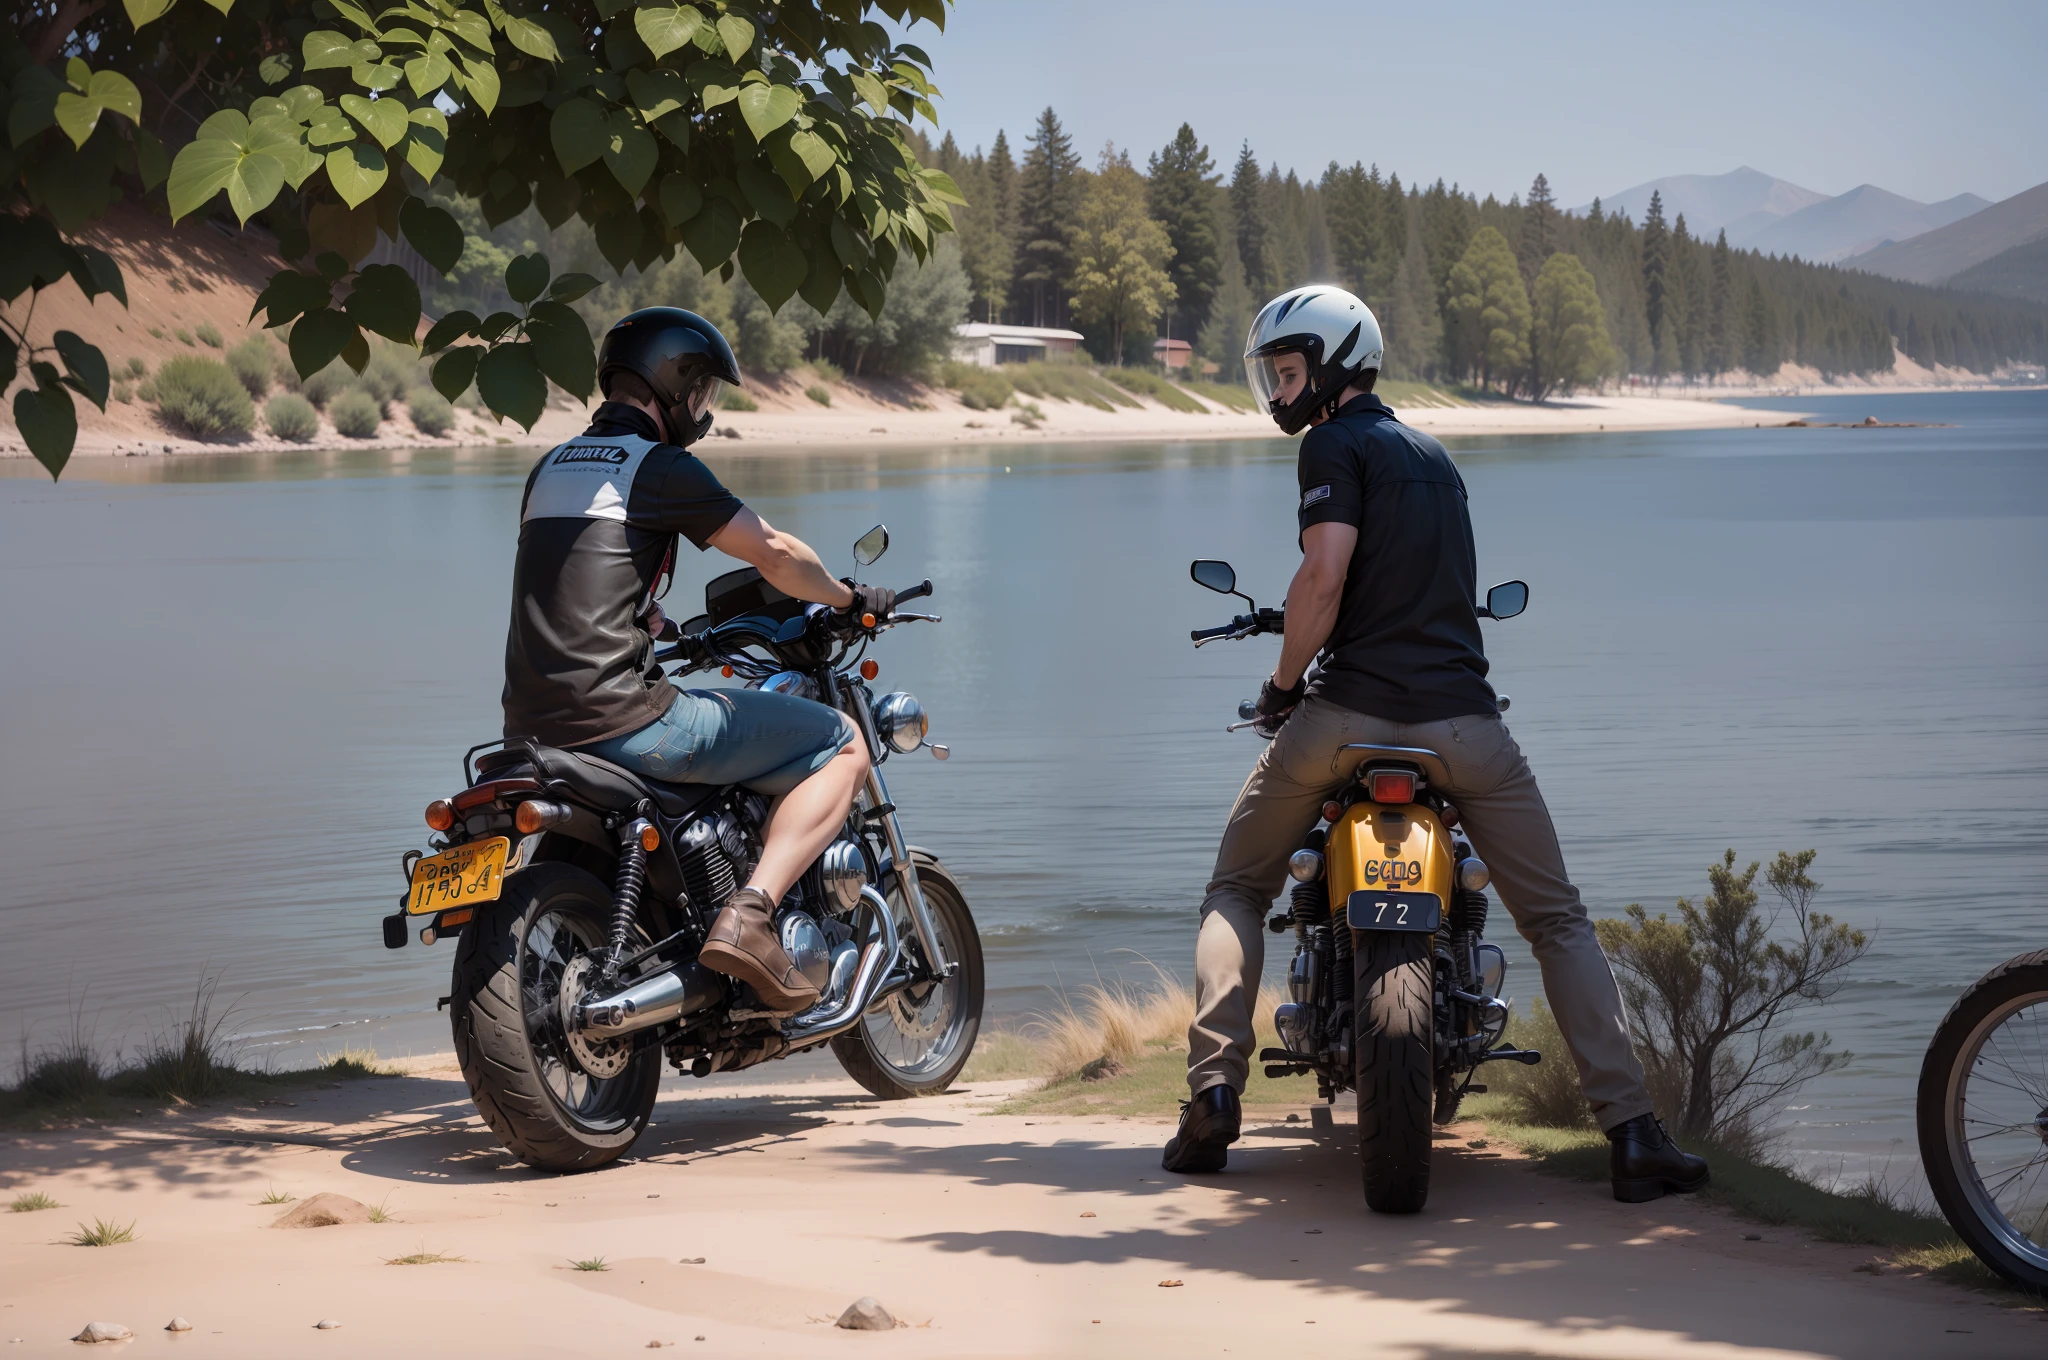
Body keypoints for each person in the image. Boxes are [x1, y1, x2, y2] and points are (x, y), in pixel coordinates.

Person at [1161, 286, 1708, 1204]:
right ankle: (1634, 1132)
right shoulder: (1438, 456)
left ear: (1336, 367)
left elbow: (1324, 576)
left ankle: (1215, 1092)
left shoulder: (1335, 445)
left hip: (1342, 720)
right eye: (1276, 372)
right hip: (1467, 728)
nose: (1280, 388)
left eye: (1290, 369)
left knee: (1239, 885)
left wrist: (1284, 688)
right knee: (1558, 920)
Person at [500, 306, 895, 1014]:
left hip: (531, 728)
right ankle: (750, 914)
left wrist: (642, 619)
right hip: (625, 718)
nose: (703, 409)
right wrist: (843, 595)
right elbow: (772, 552)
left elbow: (572, 579)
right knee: (840, 744)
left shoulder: (549, 469)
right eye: (703, 392)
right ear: (674, 386)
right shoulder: (657, 467)